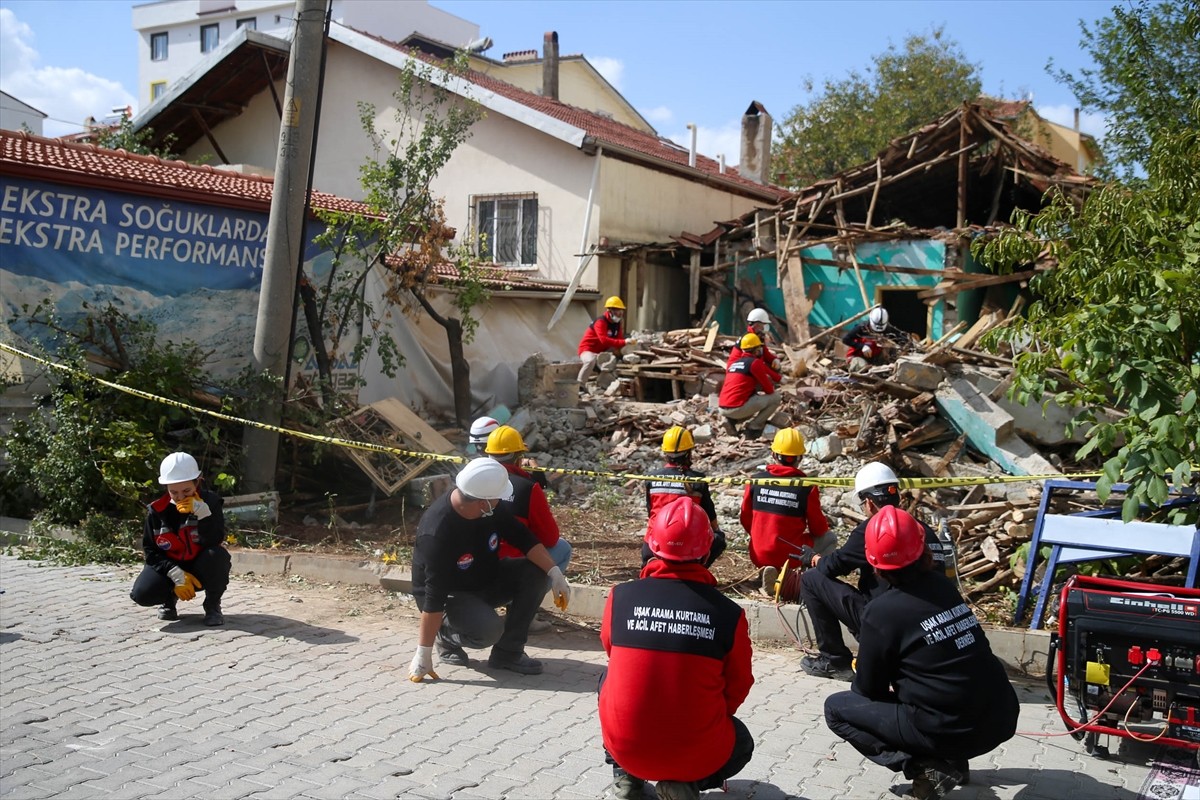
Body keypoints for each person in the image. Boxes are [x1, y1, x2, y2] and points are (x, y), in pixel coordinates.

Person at [823, 506, 1018, 800]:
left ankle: (926, 767)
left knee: (837, 709)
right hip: (1001, 717)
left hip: (952, 729)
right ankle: (953, 763)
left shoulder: (882, 611)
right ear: (923, 550)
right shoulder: (943, 586)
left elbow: (867, 689)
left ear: (873, 564)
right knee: (937, 690)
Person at [599, 496, 755, 800]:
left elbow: (612, 653)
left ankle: (625, 778)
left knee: (607, 680)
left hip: (627, 749)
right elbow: (738, 686)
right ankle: (685, 784)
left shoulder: (620, 596)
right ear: (708, 551)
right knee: (742, 742)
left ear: (652, 545)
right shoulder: (728, 614)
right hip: (698, 753)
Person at [407, 458, 571, 680]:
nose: (500, 501)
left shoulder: (489, 508)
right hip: (451, 596)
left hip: (484, 579)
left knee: (536, 573)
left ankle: (508, 653)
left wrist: (555, 572)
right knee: (488, 631)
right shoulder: (437, 533)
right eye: (497, 498)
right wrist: (422, 653)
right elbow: (433, 597)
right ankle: (445, 637)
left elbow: (523, 538)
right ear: (482, 503)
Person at [797, 462, 949, 680]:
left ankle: (834, 660)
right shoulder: (923, 529)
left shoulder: (876, 530)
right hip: (927, 625)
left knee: (812, 579)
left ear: (868, 502)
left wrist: (814, 559)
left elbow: (834, 566)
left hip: (886, 624)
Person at [485, 425, 572, 633]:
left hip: (473, 567)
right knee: (562, 548)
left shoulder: (472, 482)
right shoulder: (527, 488)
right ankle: (524, 614)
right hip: (510, 571)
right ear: (518, 456)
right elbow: (550, 538)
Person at [130, 452, 230, 626]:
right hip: (171, 566)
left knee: (218, 556)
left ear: (197, 482)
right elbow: (151, 551)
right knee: (142, 593)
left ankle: (212, 605)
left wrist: (203, 514)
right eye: (174, 492)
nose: (180, 497)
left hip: (199, 563)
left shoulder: (211, 503)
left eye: (186, 491)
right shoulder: (156, 511)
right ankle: (169, 599)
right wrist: (176, 575)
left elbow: (215, 540)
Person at [739, 428, 833, 591]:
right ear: (800, 458)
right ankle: (801, 582)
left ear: (774, 455)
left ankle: (769, 572)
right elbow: (818, 530)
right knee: (830, 538)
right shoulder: (806, 486)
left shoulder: (755, 480)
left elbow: (745, 519)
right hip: (791, 555)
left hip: (758, 553)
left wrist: (763, 534)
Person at [642, 426, 726, 568]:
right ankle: (697, 569)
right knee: (719, 539)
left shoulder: (651, 478)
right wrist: (716, 533)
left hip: (653, 545)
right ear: (689, 453)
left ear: (665, 452)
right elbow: (710, 518)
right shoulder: (698, 480)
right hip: (686, 548)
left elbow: (651, 512)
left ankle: (653, 563)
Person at [717, 333, 781, 439]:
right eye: (760, 348)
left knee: (753, 400)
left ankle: (731, 421)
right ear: (756, 350)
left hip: (722, 407)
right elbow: (769, 390)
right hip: (737, 408)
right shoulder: (755, 363)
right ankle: (754, 427)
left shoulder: (735, 363)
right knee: (775, 398)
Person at [578, 296, 637, 386]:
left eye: (621, 311)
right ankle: (579, 385)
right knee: (590, 361)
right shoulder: (600, 322)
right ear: (610, 311)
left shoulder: (617, 324)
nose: (620, 314)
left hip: (603, 351)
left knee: (618, 355)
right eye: (618, 311)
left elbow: (619, 339)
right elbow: (604, 340)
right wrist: (625, 342)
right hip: (588, 349)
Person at [726, 308, 782, 376]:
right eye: (764, 324)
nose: (765, 326)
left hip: (743, 367)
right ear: (757, 324)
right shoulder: (749, 339)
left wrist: (774, 359)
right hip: (738, 371)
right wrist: (777, 378)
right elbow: (757, 363)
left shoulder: (758, 336)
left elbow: (765, 353)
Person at [842, 306, 898, 372]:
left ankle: (880, 369)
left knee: (890, 367)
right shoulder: (861, 328)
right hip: (857, 357)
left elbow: (900, 339)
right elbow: (845, 339)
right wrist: (862, 346)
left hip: (875, 358)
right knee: (862, 367)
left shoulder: (888, 329)